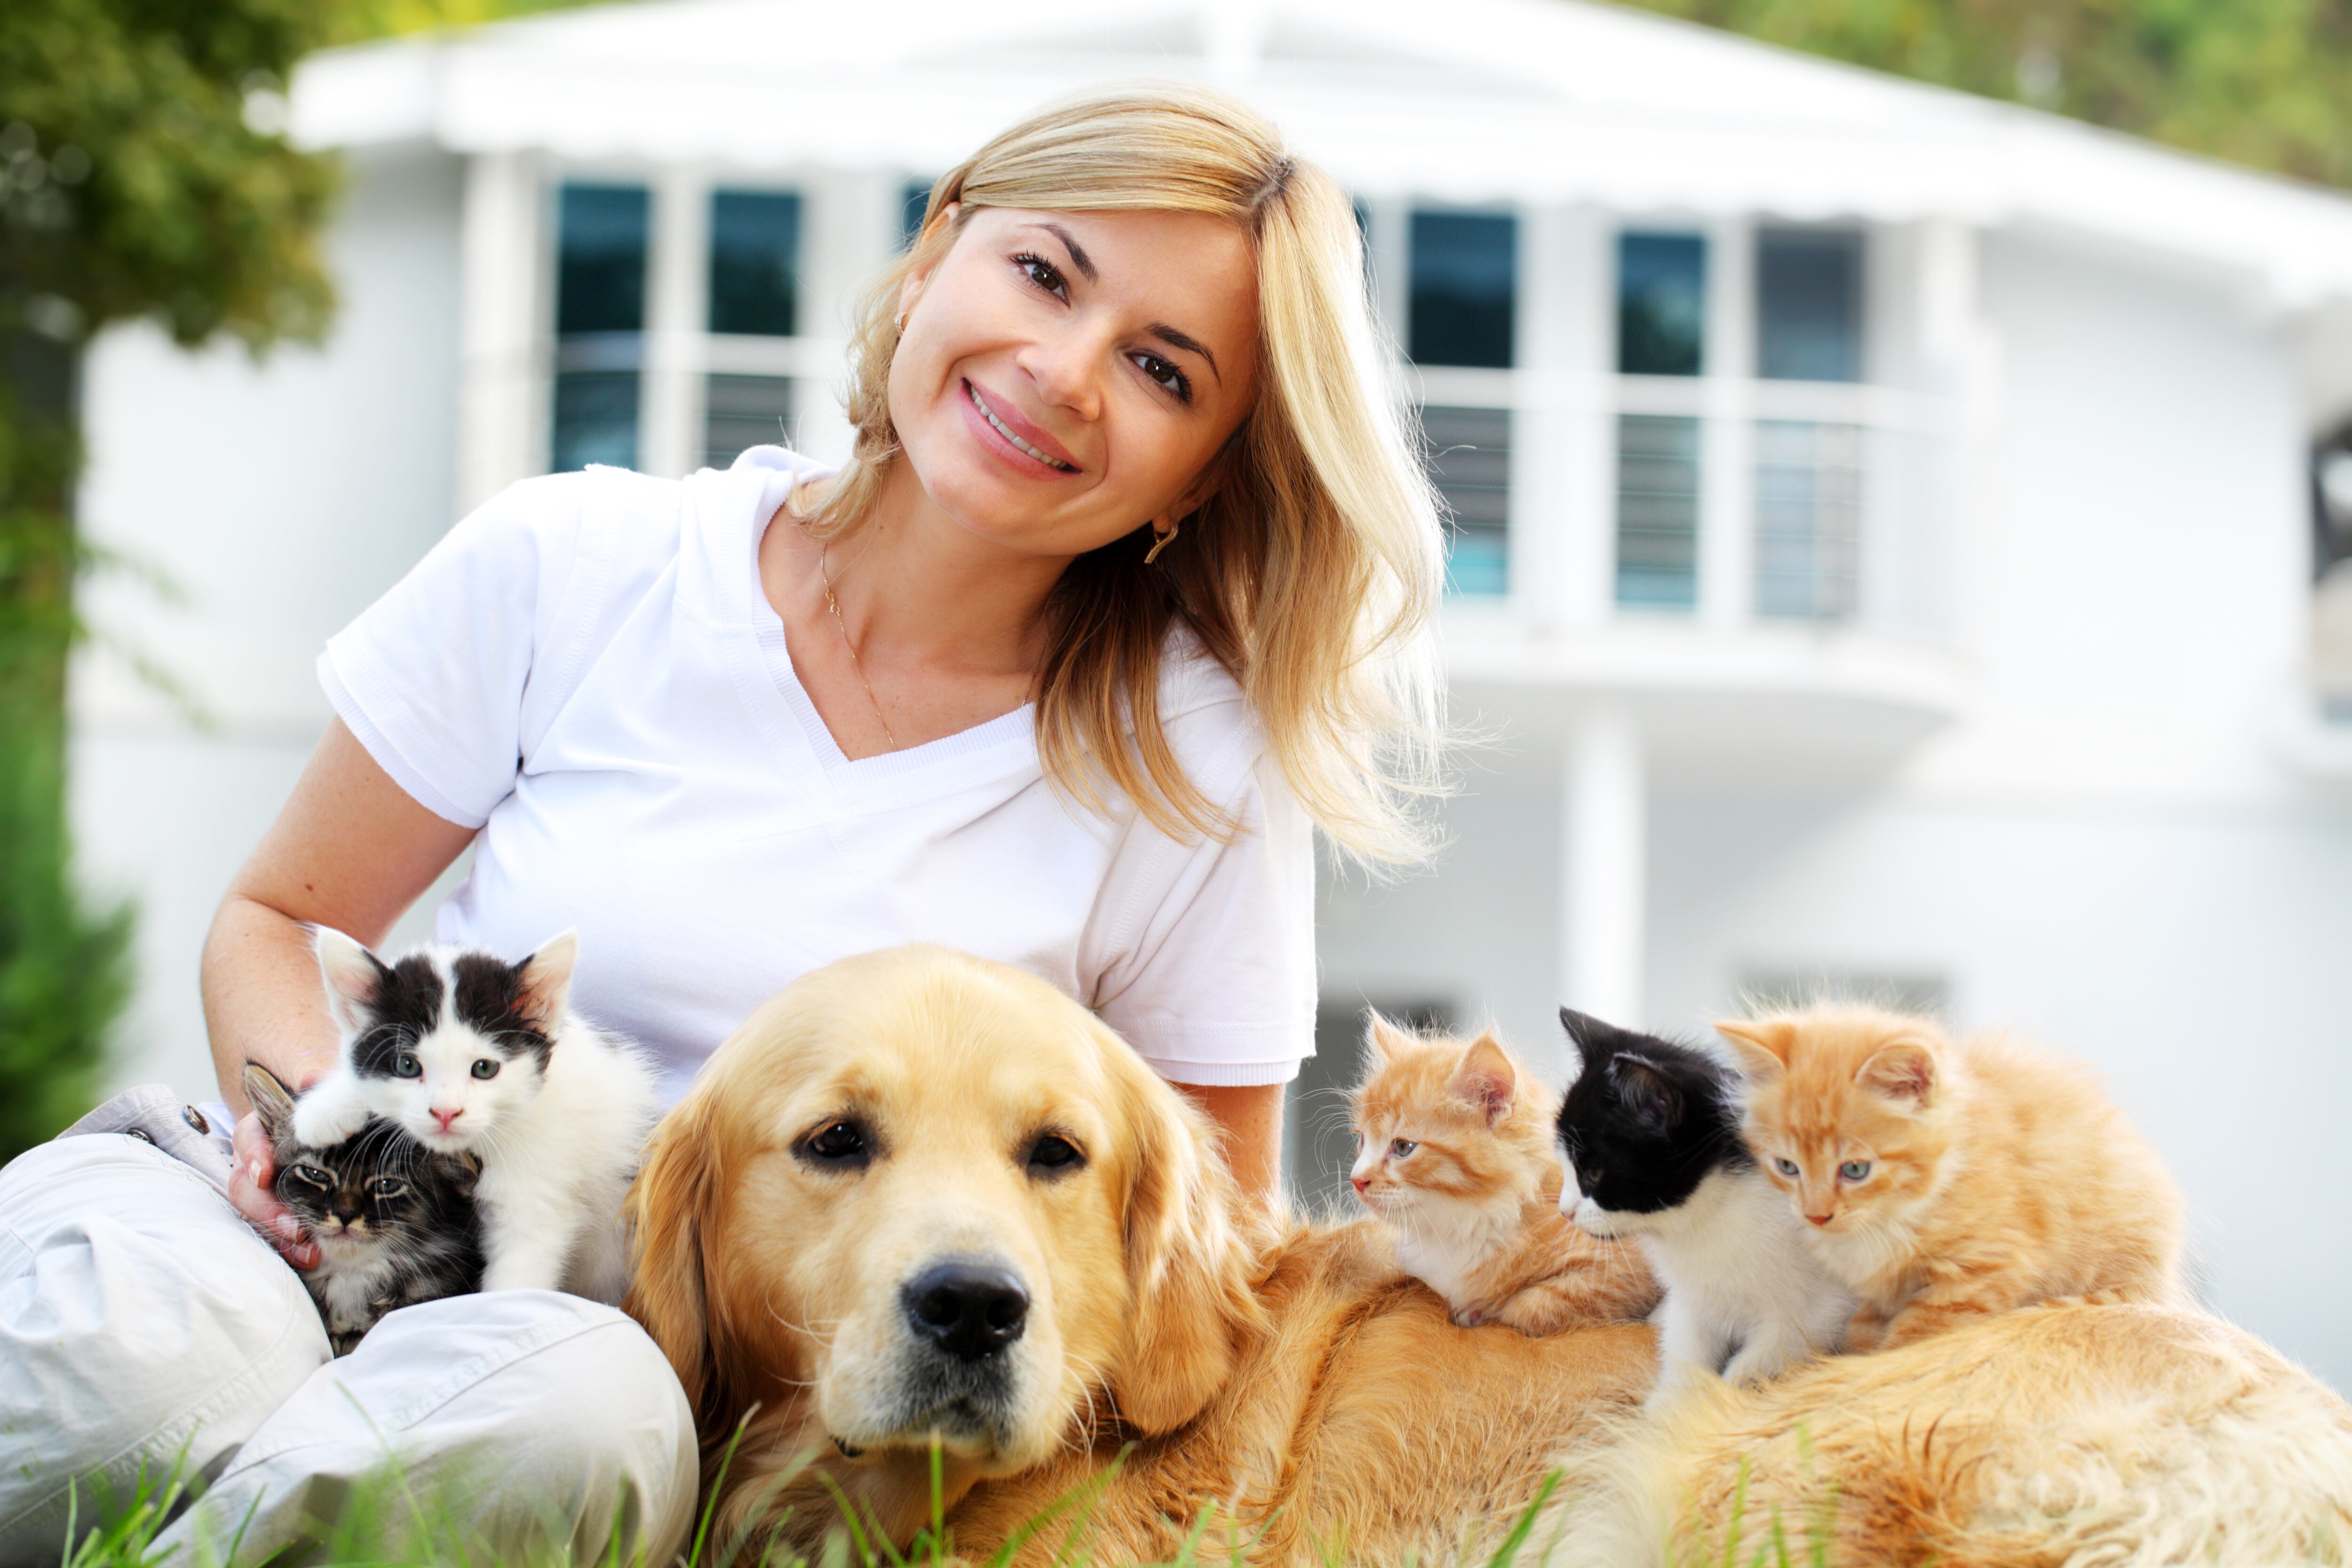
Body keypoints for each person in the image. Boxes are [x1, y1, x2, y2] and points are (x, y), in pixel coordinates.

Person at [0, 81, 1446, 1565]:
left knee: (567, 1416)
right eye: (1043, 273)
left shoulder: (1191, 765)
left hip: (591, 1361)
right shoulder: (576, 557)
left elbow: (1191, 1269)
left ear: (1203, 472)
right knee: (137, 1360)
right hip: (317, 1207)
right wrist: (326, 1156)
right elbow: (281, 921)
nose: (1067, 370)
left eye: (1161, 366)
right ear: (941, 239)